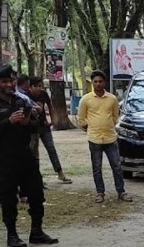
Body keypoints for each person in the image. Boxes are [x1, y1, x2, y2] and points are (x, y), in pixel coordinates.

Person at [0, 65, 59, 247]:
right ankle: (12, 235)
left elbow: (36, 126)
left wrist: (27, 123)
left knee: (36, 192)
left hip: (25, 153)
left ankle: (36, 231)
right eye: (5, 81)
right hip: (3, 157)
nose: (9, 84)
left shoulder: (21, 101)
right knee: (8, 196)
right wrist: (8, 121)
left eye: (12, 80)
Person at [79, 70, 132, 203]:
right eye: (95, 81)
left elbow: (115, 116)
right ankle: (100, 192)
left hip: (110, 138)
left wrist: (107, 126)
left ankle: (121, 192)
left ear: (104, 82)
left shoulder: (112, 99)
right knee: (97, 167)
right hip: (94, 139)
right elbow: (81, 119)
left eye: (100, 81)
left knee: (117, 166)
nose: (98, 84)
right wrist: (92, 129)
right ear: (92, 83)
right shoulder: (85, 99)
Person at [28, 76, 72, 184]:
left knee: (51, 148)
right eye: (36, 86)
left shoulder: (43, 94)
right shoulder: (26, 96)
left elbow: (50, 106)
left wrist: (52, 120)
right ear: (30, 87)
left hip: (44, 126)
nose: (38, 88)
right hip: (33, 127)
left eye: (40, 86)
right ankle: (36, 177)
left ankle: (60, 173)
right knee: (34, 152)